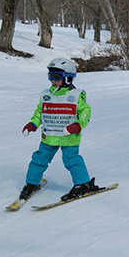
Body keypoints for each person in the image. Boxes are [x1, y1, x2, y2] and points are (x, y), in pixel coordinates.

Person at [20, 57, 100, 202]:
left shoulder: (75, 96)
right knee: (39, 159)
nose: (53, 81)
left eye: (57, 76)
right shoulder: (46, 95)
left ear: (68, 78)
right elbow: (40, 112)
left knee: (71, 160)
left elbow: (85, 112)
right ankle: (31, 183)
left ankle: (83, 183)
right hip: (49, 135)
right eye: (50, 76)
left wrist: (78, 125)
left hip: (69, 136)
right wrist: (33, 124)